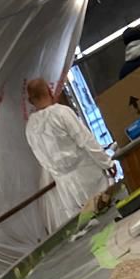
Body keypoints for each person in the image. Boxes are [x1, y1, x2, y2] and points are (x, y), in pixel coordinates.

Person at [24, 77, 117, 221]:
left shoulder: (30, 128)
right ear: (50, 91)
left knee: (86, 224)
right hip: (88, 176)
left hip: (66, 188)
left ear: (30, 101)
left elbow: (41, 159)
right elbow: (87, 141)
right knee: (109, 213)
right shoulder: (61, 113)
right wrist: (107, 163)